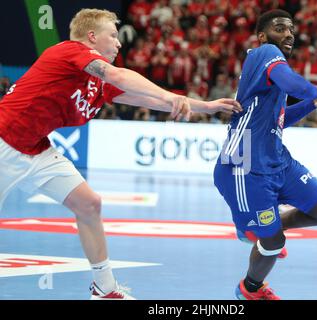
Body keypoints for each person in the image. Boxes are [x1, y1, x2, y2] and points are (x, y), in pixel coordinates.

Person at [0, 8, 241, 300]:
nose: (118, 43)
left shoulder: (99, 83)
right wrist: (170, 96)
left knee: (89, 204)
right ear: (91, 37)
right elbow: (117, 75)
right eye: (112, 35)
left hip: (35, 147)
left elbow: (146, 98)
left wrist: (206, 106)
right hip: (4, 140)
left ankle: (105, 289)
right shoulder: (69, 51)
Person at [213, 9, 317, 300]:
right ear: (262, 36)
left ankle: (268, 225)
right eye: (280, 28)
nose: (289, 34)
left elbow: (282, 117)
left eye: (291, 29)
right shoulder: (265, 53)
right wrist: (316, 90)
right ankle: (250, 289)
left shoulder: (271, 76)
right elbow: (289, 81)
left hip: (278, 161)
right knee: (273, 242)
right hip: (245, 163)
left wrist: (316, 102)